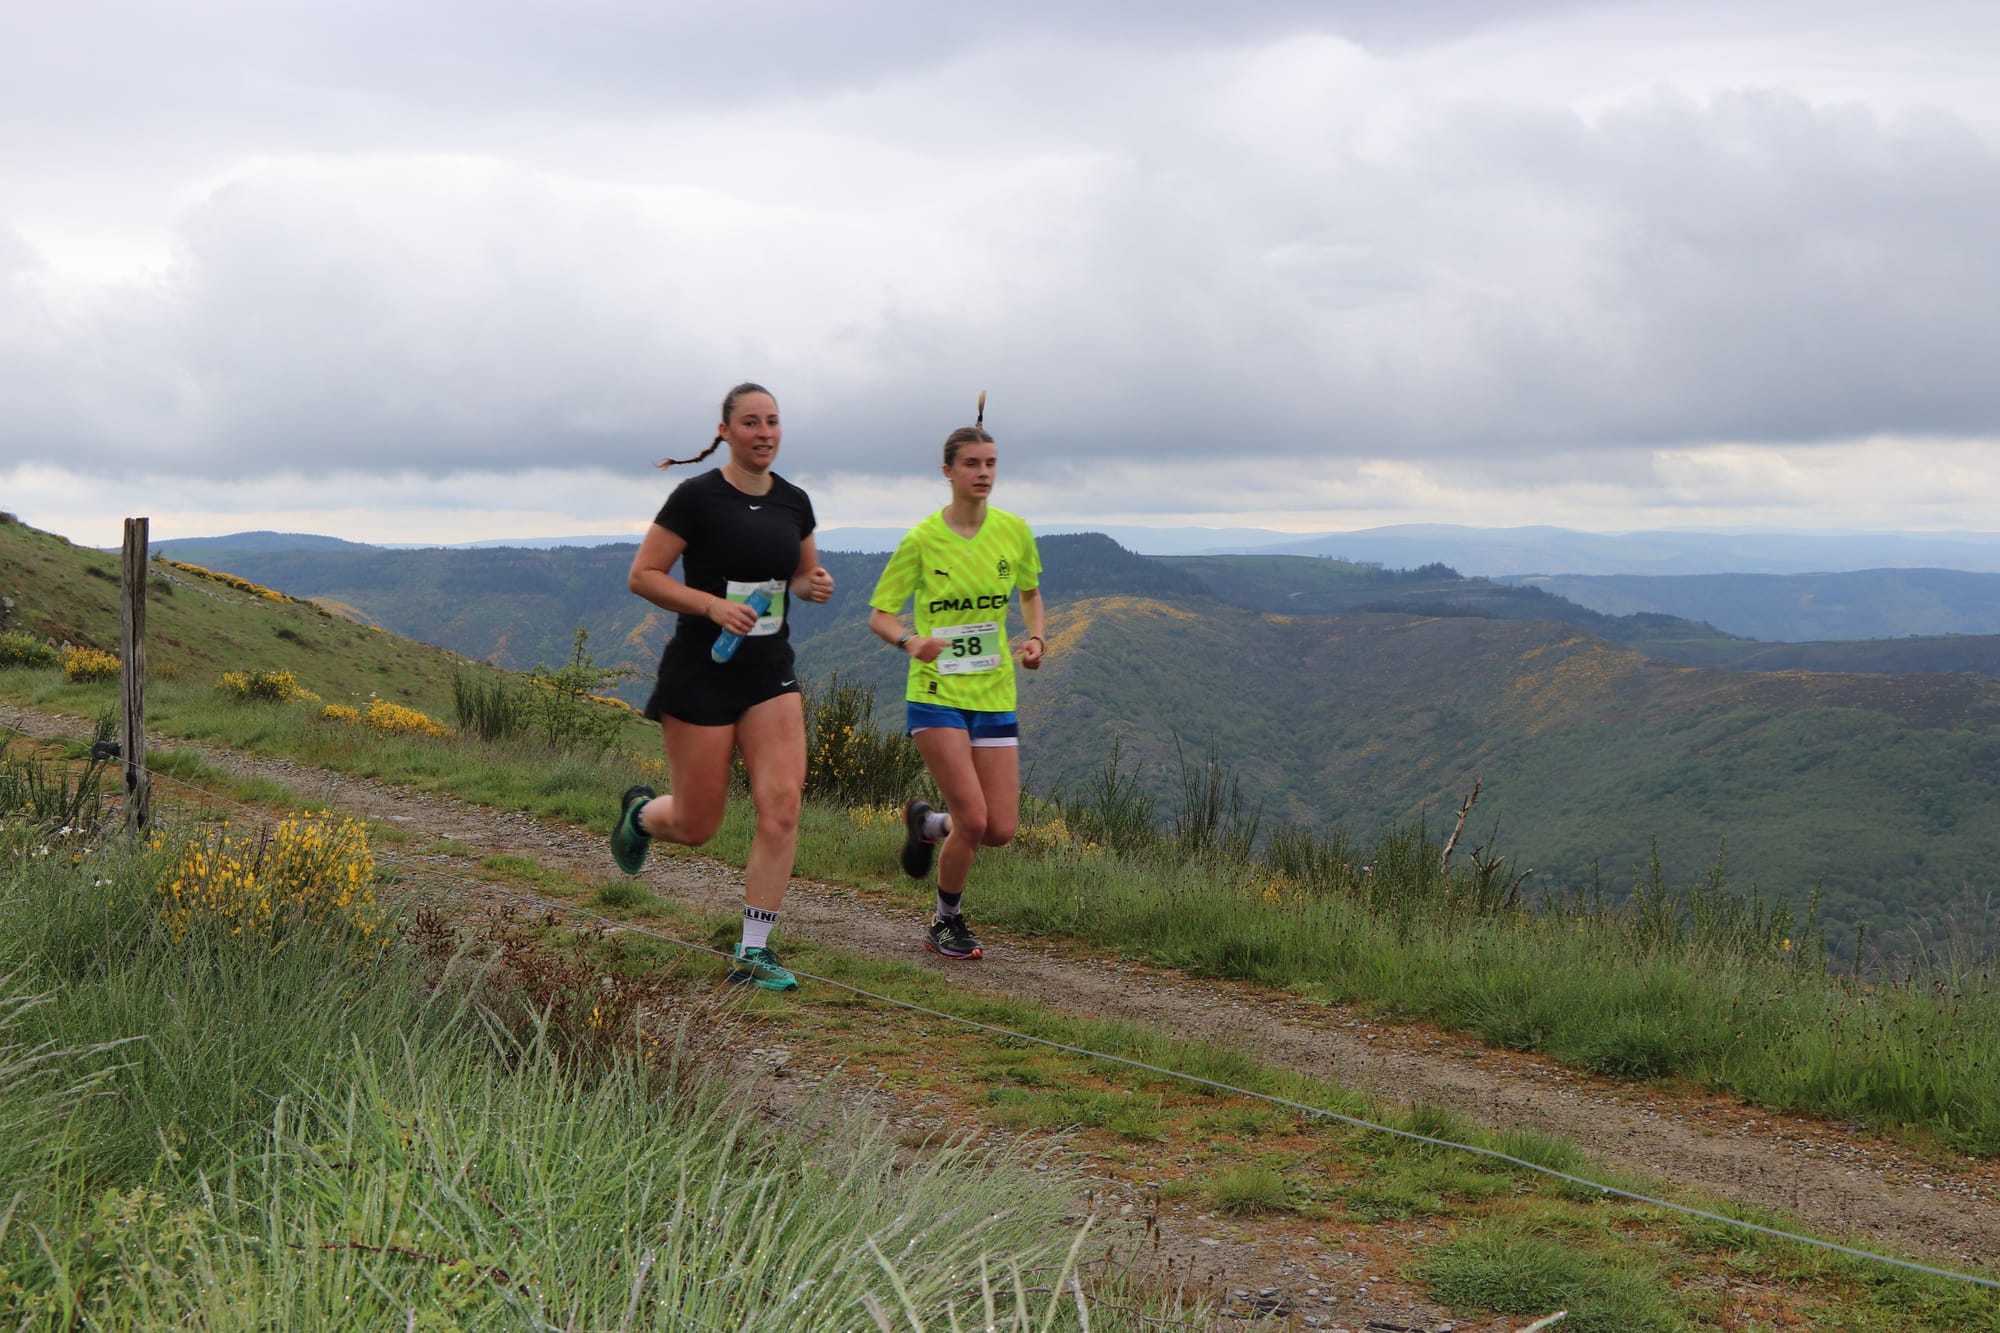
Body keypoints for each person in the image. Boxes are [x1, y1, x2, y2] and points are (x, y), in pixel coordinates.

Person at [610, 382, 834, 991]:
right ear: (727, 432)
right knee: (696, 824)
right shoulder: (696, 497)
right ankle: (639, 815)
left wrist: (812, 586)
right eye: (752, 422)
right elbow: (644, 576)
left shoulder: (795, 502)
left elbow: (802, 572)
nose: (765, 432)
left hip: (769, 672)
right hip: (701, 671)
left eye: (774, 422)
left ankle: (753, 951)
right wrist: (711, 606)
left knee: (782, 805)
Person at [867, 409, 1044, 960]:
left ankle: (927, 824)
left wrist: (1037, 638)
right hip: (936, 695)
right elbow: (880, 614)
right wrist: (909, 642)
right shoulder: (922, 540)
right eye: (972, 464)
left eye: (991, 463)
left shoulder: (1013, 531)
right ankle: (946, 922)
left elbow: (1031, 593)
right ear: (948, 471)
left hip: (994, 694)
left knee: (1000, 829)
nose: (983, 473)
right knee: (974, 817)